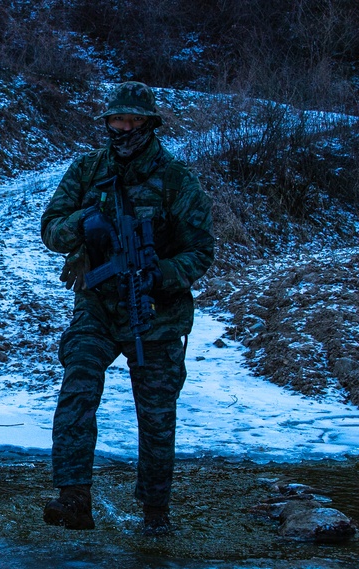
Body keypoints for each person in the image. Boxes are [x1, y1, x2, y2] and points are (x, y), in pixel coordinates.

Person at [40, 81, 215, 536]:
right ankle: (73, 497)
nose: (124, 129)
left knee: (156, 416)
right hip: (97, 304)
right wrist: (89, 219)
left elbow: (201, 250)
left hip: (156, 312)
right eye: (117, 120)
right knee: (78, 386)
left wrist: (160, 274)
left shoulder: (177, 179)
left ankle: (155, 512)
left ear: (149, 124)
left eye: (133, 121)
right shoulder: (88, 170)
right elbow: (51, 231)